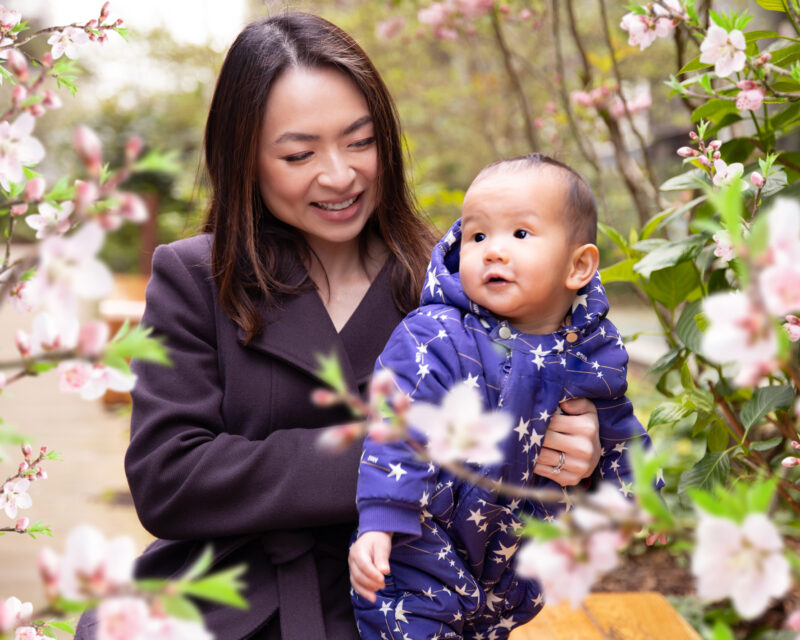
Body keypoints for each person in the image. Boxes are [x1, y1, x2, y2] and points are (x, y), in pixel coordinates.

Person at [76, 13, 603, 640]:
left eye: (359, 142)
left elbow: (533, 405)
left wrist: (576, 448)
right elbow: (170, 480)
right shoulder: (196, 276)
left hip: (410, 603)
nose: (339, 175)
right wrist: (407, 453)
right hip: (226, 604)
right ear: (244, 158)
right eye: (299, 153)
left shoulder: (463, 277)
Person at [349, 154, 654, 640]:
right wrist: (381, 519)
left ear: (579, 265)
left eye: (520, 235)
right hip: (424, 545)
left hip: (515, 560)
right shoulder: (437, 335)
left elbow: (618, 425)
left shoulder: (592, 349)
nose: (493, 251)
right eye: (477, 236)